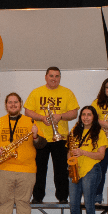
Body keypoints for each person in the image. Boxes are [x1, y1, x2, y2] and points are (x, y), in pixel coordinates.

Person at [24, 67, 79, 204]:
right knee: (39, 169)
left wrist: (60, 116)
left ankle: (62, 197)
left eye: (57, 76)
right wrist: (41, 118)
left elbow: (74, 113)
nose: (54, 78)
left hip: (60, 138)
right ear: (45, 77)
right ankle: (37, 197)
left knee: (61, 170)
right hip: (40, 138)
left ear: (60, 78)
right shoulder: (36, 92)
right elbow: (27, 111)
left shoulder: (67, 92)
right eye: (51, 76)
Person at [66, 106, 107, 214]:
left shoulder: (100, 133)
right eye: (83, 114)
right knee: (73, 204)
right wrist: (70, 159)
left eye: (89, 114)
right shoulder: (74, 131)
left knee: (89, 203)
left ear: (94, 117)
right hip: (75, 169)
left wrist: (83, 152)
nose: (86, 117)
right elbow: (69, 152)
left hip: (91, 170)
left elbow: (101, 155)